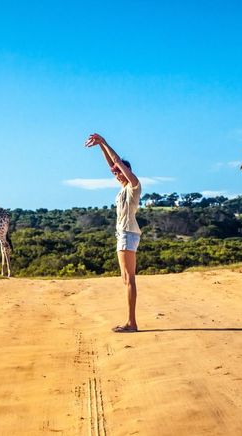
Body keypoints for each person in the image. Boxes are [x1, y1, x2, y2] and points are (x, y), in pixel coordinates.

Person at [85, 133, 141, 333]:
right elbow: (112, 164)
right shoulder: (123, 188)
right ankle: (130, 321)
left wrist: (106, 142)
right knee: (126, 279)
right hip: (123, 234)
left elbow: (116, 161)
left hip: (128, 233)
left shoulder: (134, 186)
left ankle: (131, 323)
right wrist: (101, 146)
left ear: (126, 171)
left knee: (129, 278)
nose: (116, 173)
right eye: (115, 172)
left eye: (119, 172)